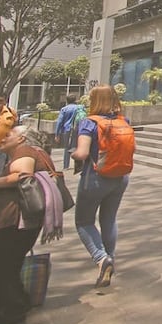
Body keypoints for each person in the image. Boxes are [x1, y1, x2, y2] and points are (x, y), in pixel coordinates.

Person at [0, 125, 54, 324]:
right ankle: (18, 303)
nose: (3, 138)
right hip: (19, 222)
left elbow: (23, 175)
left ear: (22, 138)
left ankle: (5, 315)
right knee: (7, 266)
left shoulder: (24, 151)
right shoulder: (36, 152)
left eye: (9, 135)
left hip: (13, 221)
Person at [72, 84, 131, 288]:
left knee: (84, 221)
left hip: (96, 177)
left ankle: (101, 258)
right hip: (121, 176)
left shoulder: (89, 123)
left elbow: (82, 153)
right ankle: (110, 258)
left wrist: (72, 154)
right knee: (109, 219)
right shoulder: (124, 121)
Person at [53, 94, 82, 170]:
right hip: (77, 129)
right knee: (76, 146)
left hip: (67, 129)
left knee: (67, 148)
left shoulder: (64, 109)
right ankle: (78, 165)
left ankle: (66, 165)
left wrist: (57, 134)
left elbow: (59, 122)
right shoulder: (79, 108)